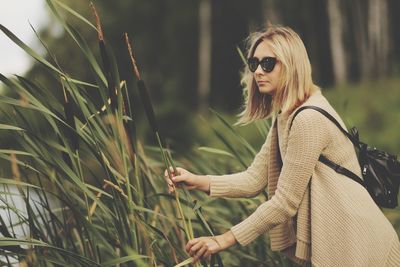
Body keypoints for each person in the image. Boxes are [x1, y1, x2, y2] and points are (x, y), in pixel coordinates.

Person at [164, 25, 400, 266]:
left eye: (268, 64)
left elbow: (285, 202)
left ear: (291, 65)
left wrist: (223, 240)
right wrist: (196, 181)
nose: (258, 72)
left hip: (359, 241)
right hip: (345, 239)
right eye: (253, 63)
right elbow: (254, 179)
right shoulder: (286, 116)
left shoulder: (308, 119)